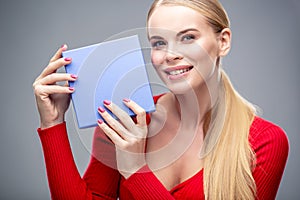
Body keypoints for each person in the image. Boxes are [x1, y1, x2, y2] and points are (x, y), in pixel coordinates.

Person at [33, 0, 289, 199]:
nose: (170, 55)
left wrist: (136, 170)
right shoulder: (126, 120)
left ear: (223, 42)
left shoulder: (264, 142)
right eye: (158, 43)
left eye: (188, 37)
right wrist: (53, 123)